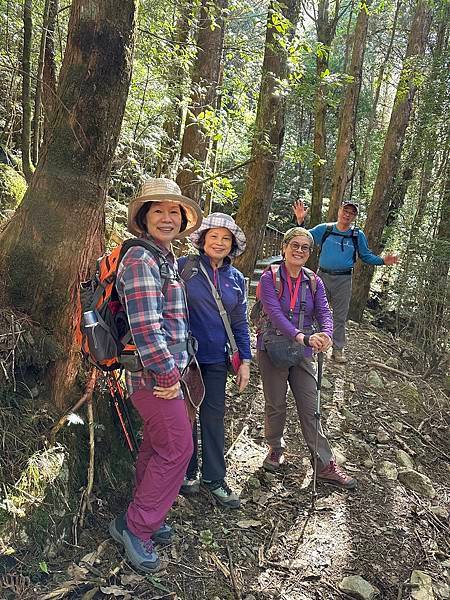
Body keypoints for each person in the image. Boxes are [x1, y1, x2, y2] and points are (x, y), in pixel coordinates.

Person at [109, 178, 202, 573]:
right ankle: (138, 527)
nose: (167, 218)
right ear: (143, 218)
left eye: (173, 211)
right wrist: (167, 378)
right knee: (179, 449)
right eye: (158, 210)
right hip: (154, 378)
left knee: (158, 444)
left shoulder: (163, 258)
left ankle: (135, 515)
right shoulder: (141, 260)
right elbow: (147, 327)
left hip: (163, 375)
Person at [258, 226, 357, 489]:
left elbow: (325, 310)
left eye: (305, 247)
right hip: (273, 348)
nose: (299, 250)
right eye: (295, 245)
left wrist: (326, 334)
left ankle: (324, 464)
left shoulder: (314, 281)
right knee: (276, 403)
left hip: (304, 351)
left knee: (310, 406)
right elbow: (275, 315)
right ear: (284, 247)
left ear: (310, 253)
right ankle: (276, 447)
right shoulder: (270, 277)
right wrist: (303, 337)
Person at [178, 213, 252, 509]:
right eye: (214, 237)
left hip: (217, 359)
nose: (219, 243)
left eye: (225, 238)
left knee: (213, 416)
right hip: (184, 356)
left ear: (232, 245)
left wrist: (245, 360)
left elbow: (240, 323)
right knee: (184, 416)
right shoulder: (184, 268)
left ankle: (214, 477)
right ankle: (186, 472)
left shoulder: (236, 279)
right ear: (202, 240)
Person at [293, 199, 399, 363]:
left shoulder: (357, 235)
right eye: (345, 211)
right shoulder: (325, 229)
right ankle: (311, 344)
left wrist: (383, 261)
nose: (347, 215)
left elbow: (365, 255)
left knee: (340, 316)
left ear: (355, 217)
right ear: (339, 211)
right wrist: (300, 221)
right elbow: (303, 238)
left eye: (352, 213)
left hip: (344, 279)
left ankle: (337, 349)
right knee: (314, 310)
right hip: (322, 276)